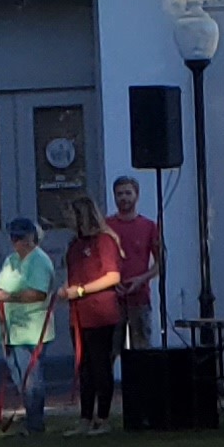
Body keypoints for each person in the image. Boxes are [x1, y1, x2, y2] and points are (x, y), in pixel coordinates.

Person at [60, 191, 127, 424]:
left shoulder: (104, 241)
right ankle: (85, 417)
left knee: (101, 366)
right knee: (84, 367)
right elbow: (76, 274)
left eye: (71, 214)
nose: (68, 220)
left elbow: (112, 276)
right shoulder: (74, 245)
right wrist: (66, 290)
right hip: (78, 315)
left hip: (100, 314)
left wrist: (81, 290)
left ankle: (103, 416)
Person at [0, 216, 59, 434]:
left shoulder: (40, 261)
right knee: (19, 376)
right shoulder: (10, 260)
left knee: (31, 379)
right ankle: (31, 417)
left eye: (21, 237)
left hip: (32, 330)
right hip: (10, 329)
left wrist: (7, 296)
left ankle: (35, 423)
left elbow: (38, 293)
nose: (17, 241)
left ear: (32, 237)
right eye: (14, 237)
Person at [107, 173, 165, 335]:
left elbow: (160, 263)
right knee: (113, 346)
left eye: (128, 193)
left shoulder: (149, 226)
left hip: (140, 298)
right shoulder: (106, 226)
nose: (124, 198)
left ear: (136, 195)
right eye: (119, 194)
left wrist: (142, 279)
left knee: (141, 346)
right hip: (112, 299)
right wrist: (110, 282)